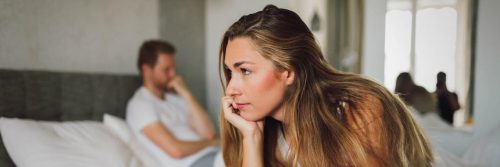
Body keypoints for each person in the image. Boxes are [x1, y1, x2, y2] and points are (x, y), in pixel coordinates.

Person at [218, 5, 433, 167]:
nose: (230, 90)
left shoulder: (360, 108)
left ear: (289, 71)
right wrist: (252, 138)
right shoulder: (250, 127)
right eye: (230, 72)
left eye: (245, 71)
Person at [126, 40, 218, 167]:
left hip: (215, 155)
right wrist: (212, 143)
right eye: (166, 70)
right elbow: (176, 151)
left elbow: (209, 133)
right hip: (193, 163)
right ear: (146, 70)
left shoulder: (176, 99)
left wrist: (186, 93)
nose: (173, 74)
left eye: (173, 68)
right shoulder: (139, 105)